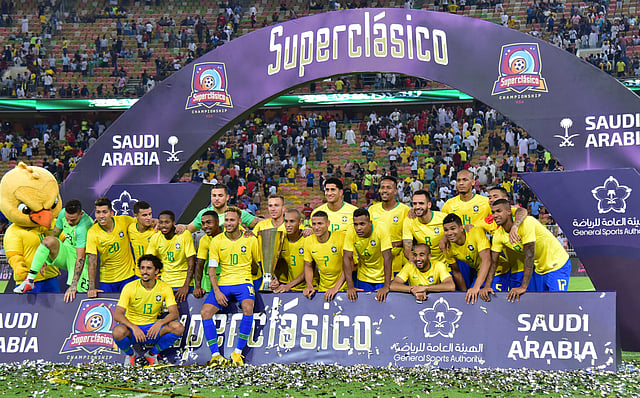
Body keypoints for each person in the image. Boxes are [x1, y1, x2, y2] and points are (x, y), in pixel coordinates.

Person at [200, 207, 260, 366]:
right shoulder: (217, 240)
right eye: (226, 220)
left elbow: (257, 266)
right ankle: (215, 355)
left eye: (232, 220)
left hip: (244, 280)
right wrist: (217, 291)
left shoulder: (250, 239)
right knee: (205, 312)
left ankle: (237, 353)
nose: (228, 223)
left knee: (248, 308)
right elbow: (211, 268)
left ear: (240, 222)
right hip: (224, 283)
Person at [481, 199, 571, 302]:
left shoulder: (527, 223)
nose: (495, 215)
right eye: (493, 212)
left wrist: (523, 286)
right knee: (540, 304)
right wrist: (487, 286)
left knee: (557, 303)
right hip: (539, 269)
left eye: (499, 211)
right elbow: (494, 262)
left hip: (558, 264)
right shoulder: (498, 235)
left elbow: (529, 255)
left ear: (509, 211)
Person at [113, 254, 185, 367]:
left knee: (178, 327)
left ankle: (152, 354)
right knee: (118, 332)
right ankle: (130, 355)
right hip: (133, 330)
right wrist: (133, 327)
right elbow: (117, 314)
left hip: (152, 329)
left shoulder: (164, 287)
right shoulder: (130, 287)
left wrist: (160, 323)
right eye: (142, 268)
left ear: (156, 271)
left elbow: (174, 313)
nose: (144, 271)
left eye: (149, 268)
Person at [14, 199, 92, 302]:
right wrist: (45, 255)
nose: (69, 222)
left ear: (81, 214)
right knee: (47, 241)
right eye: (68, 219)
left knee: (78, 292)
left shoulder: (83, 227)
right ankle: (29, 280)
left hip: (82, 257)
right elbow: (54, 235)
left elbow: (80, 257)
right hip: (66, 252)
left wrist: (74, 284)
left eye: (73, 220)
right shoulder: (63, 213)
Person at [87, 197, 137, 297]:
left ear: (111, 213)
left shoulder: (124, 220)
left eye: (104, 212)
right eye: (98, 212)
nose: (101, 216)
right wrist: (91, 287)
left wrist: (155, 221)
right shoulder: (92, 232)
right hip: (107, 280)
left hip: (128, 276)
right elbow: (92, 261)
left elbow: (142, 223)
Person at [343, 208, 392, 302]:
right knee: (364, 307)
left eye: (362, 224)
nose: (358, 228)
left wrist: (386, 286)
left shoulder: (381, 228)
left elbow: (388, 258)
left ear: (370, 223)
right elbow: (346, 258)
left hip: (382, 277)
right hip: (363, 276)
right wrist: (350, 286)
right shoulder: (351, 230)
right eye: (356, 224)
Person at [146, 210, 196, 303]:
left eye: (167, 222)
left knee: (183, 315)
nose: (164, 225)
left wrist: (186, 286)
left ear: (174, 223)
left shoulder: (184, 235)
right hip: (165, 283)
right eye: (161, 222)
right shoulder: (155, 238)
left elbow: (191, 262)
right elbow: (148, 261)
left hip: (183, 283)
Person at [442, 213, 491, 304]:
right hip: (481, 273)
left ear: (461, 228)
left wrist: (476, 287)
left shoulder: (475, 232)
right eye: (446, 230)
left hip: (496, 271)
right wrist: (464, 293)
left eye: (453, 229)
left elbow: (487, 260)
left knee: (487, 298)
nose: (449, 233)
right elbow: (456, 271)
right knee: (471, 298)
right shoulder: (448, 247)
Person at [368, 176, 410, 275]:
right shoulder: (372, 210)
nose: (385, 190)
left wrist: (394, 244)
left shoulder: (405, 210)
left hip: (397, 266)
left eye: (388, 188)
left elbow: (411, 238)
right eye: (382, 187)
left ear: (395, 191)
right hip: (376, 266)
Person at [179, 184, 260, 234]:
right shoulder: (204, 214)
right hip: (209, 258)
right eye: (214, 196)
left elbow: (261, 223)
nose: (216, 198)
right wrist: (181, 227)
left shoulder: (236, 213)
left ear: (227, 197)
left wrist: (253, 234)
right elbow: (189, 228)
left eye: (220, 196)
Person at [302, 211, 346, 301]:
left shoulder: (341, 238)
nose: (316, 227)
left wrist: (335, 288)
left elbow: (349, 266)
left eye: (320, 223)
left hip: (343, 289)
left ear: (328, 223)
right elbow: (308, 265)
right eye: (314, 224)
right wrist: (309, 286)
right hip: (323, 289)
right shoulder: (308, 241)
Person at [390, 243, 455, 300]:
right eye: (415, 255)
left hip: (435, 301)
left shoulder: (438, 265)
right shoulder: (409, 266)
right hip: (414, 301)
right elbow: (393, 286)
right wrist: (413, 289)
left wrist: (425, 288)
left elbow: (451, 286)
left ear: (429, 256)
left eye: (421, 255)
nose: (418, 258)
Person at [251, 194, 287, 291]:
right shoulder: (261, 225)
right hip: (263, 273)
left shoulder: (290, 225)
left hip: (285, 273)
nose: (273, 209)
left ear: (283, 208)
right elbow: (250, 240)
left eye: (276, 205)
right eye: (270, 206)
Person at [271, 208, 311, 293]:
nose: (288, 225)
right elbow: (273, 263)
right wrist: (273, 279)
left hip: (310, 288)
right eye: (286, 221)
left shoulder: (307, 239)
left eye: (292, 221)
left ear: (300, 222)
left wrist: (289, 285)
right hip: (291, 288)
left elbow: (309, 268)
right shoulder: (281, 239)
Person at [402, 190, 447, 264]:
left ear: (429, 205)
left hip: (445, 265)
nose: (417, 206)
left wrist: (445, 237)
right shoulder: (409, 221)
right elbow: (407, 248)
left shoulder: (443, 218)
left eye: (421, 203)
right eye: (414, 204)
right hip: (423, 265)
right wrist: (414, 259)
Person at [194, 210, 223, 297]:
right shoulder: (204, 240)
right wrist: (198, 287)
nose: (205, 226)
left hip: (227, 278)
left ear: (217, 222)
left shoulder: (229, 233)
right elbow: (200, 264)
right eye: (203, 223)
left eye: (208, 223)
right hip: (209, 279)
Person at [128, 201, 155, 278]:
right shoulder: (130, 228)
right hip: (138, 273)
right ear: (136, 216)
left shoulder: (157, 230)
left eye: (150, 214)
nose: (149, 218)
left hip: (156, 274)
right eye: (144, 215)